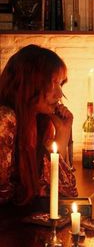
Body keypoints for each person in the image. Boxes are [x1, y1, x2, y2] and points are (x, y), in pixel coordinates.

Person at [0, 44, 78, 206]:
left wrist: (63, 132)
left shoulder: (36, 120)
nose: (59, 94)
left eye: (60, 84)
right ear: (29, 83)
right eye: (53, 83)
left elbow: (66, 189)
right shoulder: (5, 119)